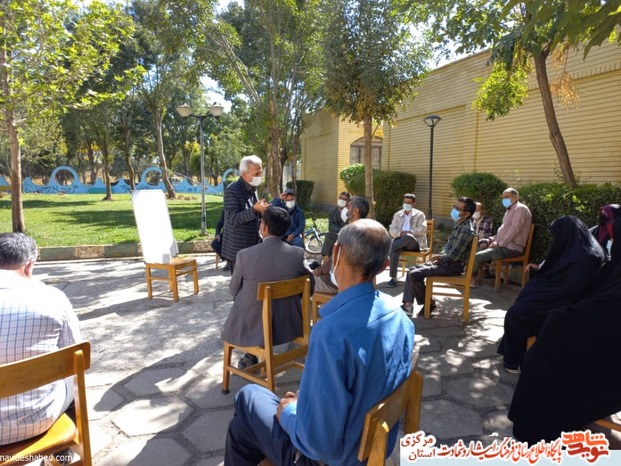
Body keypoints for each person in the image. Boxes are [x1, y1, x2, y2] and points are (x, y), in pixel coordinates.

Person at [224, 219, 415, 466]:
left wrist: (289, 412)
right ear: (385, 265)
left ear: (336, 253)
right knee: (241, 428)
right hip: (371, 445)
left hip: (327, 458)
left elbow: (316, 444)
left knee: (248, 396)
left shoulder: (331, 334)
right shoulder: (398, 315)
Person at [508, 213, 621, 444]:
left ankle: (541, 425)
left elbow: (597, 305)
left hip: (606, 352)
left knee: (543, 358)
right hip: (590, 322)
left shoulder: (588, 256)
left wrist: (564, 317)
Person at [0, 233, 82, 445]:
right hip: (38, 418)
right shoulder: (52, 298)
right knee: (73, 378)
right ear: (29, 266)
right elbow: (75, 354)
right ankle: (65, 452)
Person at [497, 215, 605, 374]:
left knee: (517, 314)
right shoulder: (576, 247)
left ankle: (513, 360)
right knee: (524, 299)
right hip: (557, 293)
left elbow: (572, 289)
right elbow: (554, 269)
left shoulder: (587, 257)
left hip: (568, 301)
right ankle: (513, 353)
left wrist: (543, 290)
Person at [221, 206, 315, 369]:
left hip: (252, 326)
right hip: (288, 324)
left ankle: (251, 355)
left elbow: (233, 290)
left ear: (264, 226)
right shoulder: (297, 254)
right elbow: (310, 287)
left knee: (244, 302)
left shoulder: (245, 255)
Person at [401, 197, 476, 317]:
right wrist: (440, 256)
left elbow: (453, 255)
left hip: (452, 266)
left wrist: (439, 259)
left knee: (414, 274)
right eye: (454, 207)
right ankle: (408, 305)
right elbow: (448, 247)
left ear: (466, 214)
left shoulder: (466, 231)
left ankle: (428, 303)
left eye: (457, 208)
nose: (454, 210)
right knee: (411, 271)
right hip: (446, 263)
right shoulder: (460, 224)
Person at [471, 188, 532, 287]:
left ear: (516, 197)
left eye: (507, 197)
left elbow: (515, 229)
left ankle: (470, 279)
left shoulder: (520, 208)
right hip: (504, 245)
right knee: (475, 248)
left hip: (512, 248)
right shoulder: (509, 211)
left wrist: (499, 243)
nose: (504, 199)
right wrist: (490, 239)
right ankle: (472, 275)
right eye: (503, 197)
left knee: (478, 256)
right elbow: (503, 233)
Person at [221, 155, 270, 274]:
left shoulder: (253, 187)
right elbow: (233, 219)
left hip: (253, 244)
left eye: (261, 172)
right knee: (240, 283)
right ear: (244, 174)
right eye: (256, 173)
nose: (260, 176)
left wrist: (262, 210)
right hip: (238, 248)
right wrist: (254, 209)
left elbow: (254, 212)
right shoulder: (232, 190)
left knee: (253, 280)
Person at [313, 196, 369, 294]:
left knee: (303, 283)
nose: (344, 209)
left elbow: (334, 259)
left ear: (355, 211)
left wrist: (318, 271)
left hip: (340, 283)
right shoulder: (368, 231)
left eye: (348, 206)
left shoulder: (348, 234)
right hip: (360, 283)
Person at [385, 193, 427, 288]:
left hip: (414, 243)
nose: (406, 204)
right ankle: (393, 278)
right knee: (394, 250)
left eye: (409, 203)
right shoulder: (397, 215)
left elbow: (423, 229)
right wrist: (401, 233)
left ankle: (388, 248)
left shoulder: (420, 215)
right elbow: (392, 230)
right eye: (405, 202)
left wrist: (410, 232)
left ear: (414, 204)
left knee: (407, 237)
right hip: (400, 242)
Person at [320, 191, 350, 257]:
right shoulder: (332, 212)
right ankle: (322, 257)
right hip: (336, 234)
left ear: (348, 201)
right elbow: (331, 226)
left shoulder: (350, 212)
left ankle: (323, 258)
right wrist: (341, 229)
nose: (342, 200)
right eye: (340, 198)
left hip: (347, 236)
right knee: (329, 235)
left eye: (344, 199)